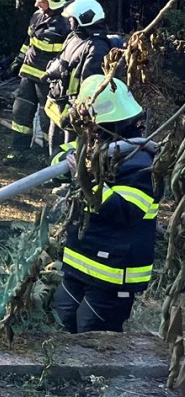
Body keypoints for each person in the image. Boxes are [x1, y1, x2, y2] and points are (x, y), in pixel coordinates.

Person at [52, 77, 156, 333]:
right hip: (81, 261)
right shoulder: (96, 145)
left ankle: (96, 376)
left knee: (93, 337)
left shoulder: (140, 162)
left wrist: (85, 180)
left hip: (114, 272)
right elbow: (56, 164)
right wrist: (71, 159)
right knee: (63, 314)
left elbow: (125, 211)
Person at [43, 0, 125, 159]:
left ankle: (72, 182)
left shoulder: (97, 47)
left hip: (76, 107)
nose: (69, 21)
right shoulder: (74, 37)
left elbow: (90, 82)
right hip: (60, 99)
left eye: (72, 18)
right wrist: (50, 71)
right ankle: (55, 177)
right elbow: (63, 60)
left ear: (84, 18)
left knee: (72, 148)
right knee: (56, 147)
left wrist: (78, 108)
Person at [9, 0, 70, 153]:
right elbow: (30, 41)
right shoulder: (37, 16)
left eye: (41, 0)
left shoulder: (65, 24)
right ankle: (18, 151)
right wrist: (19, 60)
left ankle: (46, 155)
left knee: (47, 118)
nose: (36, 3)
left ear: (54, 1)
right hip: (28, 74)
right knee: (20, 111)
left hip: (49, 80)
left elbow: (67, 54)